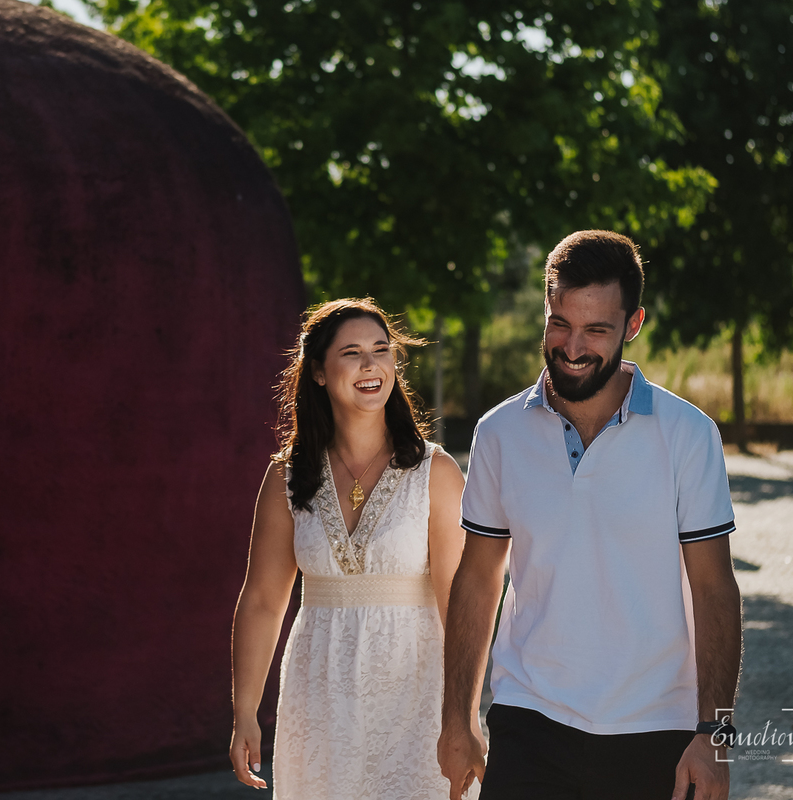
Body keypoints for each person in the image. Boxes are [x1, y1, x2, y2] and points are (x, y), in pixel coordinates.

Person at [438, 230, 743, 800]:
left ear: (633, 325)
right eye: (560, 323)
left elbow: (714, 588)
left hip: (657, 731)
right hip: (528, 721)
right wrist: (457, 718)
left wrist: (715, 736)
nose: (573, 346)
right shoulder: (498, 433)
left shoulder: (689, 435)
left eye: (597, 329)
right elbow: (478, 579)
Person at [229, 298, 467, 798]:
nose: (370, 365)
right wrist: (245, 712)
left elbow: (460, 603)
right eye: (352, 352)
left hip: (417, 704)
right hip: (318, 704)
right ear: (318, 372)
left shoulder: (436, 473)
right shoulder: (287, 477)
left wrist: (464, 716)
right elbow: (262, 600)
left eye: (381, 350)